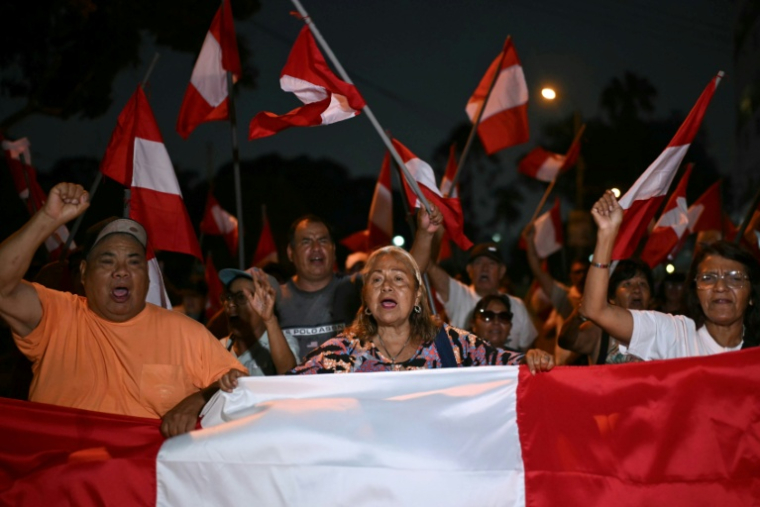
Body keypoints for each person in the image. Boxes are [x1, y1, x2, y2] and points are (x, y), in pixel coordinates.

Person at [0, 183, 246, 437]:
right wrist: (47, 219)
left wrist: (198, 401)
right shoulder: (55, 315)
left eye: (134, 262)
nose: (121, 271)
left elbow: (240, 385)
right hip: (59, 471)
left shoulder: (187, 333)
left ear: (147, 277)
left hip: (140, 474)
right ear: (84, 273)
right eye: (107, 261)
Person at [220, 246, 553, 387]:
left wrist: (536, 359)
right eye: (376, 280)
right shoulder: (343, 352)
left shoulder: (452, 345)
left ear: (418, 294)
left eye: (399, 279)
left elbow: (513, 366)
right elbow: (288, 388)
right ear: (366, 298)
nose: (387, 287)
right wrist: (244, 387)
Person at [580, 190, 760, 360]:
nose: (720, 287)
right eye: (708, 278)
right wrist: (606, 234)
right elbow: (595, 310)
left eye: (735, 278)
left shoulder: (754, 353)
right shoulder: (673, 334)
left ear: (752, 295)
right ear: (695, 292)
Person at [274, 207, 441, 358]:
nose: (316, 247)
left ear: (333, 249)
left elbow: (408, 272)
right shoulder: (273, 298)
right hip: (293, 390)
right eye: (306, 241)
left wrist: (425, 233)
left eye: (323, 240)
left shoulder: (355, 288)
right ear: (290, 252)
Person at [426, 242, 538, 351]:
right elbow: (428, 265)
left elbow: (528, 350)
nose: (485, 268)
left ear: (502, 271)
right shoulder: (457, 294)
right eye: (479, 263)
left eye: (491, 263)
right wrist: (431, 233)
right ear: (469, 269)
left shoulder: (517, 305)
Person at [559, 258, 653, 364]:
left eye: (642, 284)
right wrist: (579, 314)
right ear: (612, 297)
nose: (636, 290)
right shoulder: (600, 332)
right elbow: (565, 341)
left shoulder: (661, 329)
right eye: (627, 284)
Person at [217, 267, 299, 375]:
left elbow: (288, 374)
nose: (231, 304)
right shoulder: (218, 348)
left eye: (241, 297)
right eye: (228, 297)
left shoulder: (283, 344)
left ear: (268, 303)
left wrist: (270, 320)